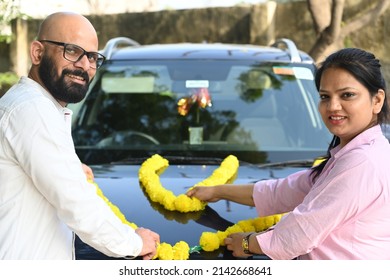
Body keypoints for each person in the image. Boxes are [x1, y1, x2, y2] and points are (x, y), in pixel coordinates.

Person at [187, 48, 390, 260]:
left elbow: (301, 231)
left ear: (377, 100)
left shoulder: (363, 162)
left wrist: (247, 244)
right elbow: (283, 191)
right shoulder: (352, 155)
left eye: (347, 95)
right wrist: (217, 191)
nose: (333, 106)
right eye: (324, 96)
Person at [0, 12, 159, 260]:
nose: (85, 65)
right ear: (37, 53)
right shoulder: (32, 110)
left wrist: (69, 168)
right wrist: (135, 243)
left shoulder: (36, 107)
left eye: (93, 57)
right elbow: (77, 205)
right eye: (73, 51)